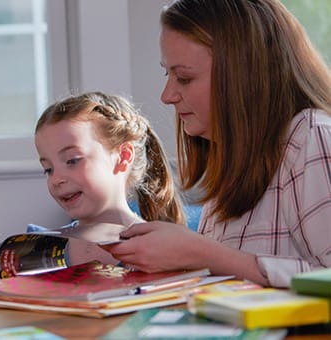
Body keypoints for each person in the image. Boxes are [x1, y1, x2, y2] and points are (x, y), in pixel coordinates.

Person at [102, 0, 331, 288]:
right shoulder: (231, 157)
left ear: (244, 77)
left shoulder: (311, 137)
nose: (167, 95)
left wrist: (202, 253)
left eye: (184, 77)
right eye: (167, 73)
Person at [34, 91, 185, 266]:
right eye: (48, 170)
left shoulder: (154, 248)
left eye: (72, 161)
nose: (56, 179)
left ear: (123, 157)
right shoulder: (41, 247)